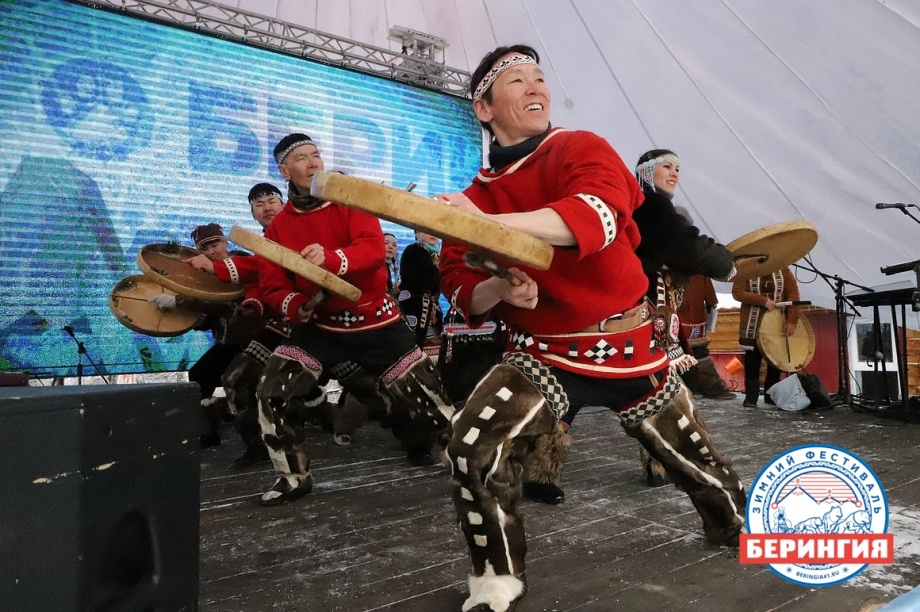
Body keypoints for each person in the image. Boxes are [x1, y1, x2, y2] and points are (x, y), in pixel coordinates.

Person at [437, 45, 746, 612]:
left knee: (700, 465)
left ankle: (740, 530)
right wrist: (501, 288)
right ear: (483, 108)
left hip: (634, 345)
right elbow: (462, 288)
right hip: (545, 352)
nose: (536, 88)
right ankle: (495, 580)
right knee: (472, 445)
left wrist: (484, 224)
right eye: (516, 81)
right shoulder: (471, 199)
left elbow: (596, 216)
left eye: (540, 77)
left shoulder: (580, 147)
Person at [253, 133, 455, 506]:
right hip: (320, 329)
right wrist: (295, 302)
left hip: (377, 323)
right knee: (273, 387)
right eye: (301, 158)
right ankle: (293, 475)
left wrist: (330, 259)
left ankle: (465, 463)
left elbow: (372, 250)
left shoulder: (349, 200)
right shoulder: (279, 227)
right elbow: (272, 283)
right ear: (284, 170)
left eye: (316, 154)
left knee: (429, 397)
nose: (313, 162)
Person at [151, 223, 254, 448]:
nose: (211, 251)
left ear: (225, 242)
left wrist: (178, 302)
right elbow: (211, 317)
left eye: (215, 244)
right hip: (231, 342)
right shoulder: (204, 274)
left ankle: (258, 443)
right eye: (204, 248)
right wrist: (193, 319)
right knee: (200, 375)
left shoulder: (240, 263)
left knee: (237, 382)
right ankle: (208, 433)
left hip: (255, 340)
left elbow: (220, 299)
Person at [732, 266, 800, 407]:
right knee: (752, 360)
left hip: (776, 324)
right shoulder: (745, 269)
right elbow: (737, 293)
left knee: (775, 362)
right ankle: (751, 397)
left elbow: (793, 296)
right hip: (752, 324)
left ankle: (771, 396)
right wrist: (763, 301)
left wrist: (792, 321)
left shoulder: (784, 269)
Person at [396, 230, 443, 361]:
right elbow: (433, 280)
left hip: (430, 311)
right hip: (415, 308)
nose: (433, 233)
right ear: (417, 234)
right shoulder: (414, 250)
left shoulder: (435, 255)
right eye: (427, 230)